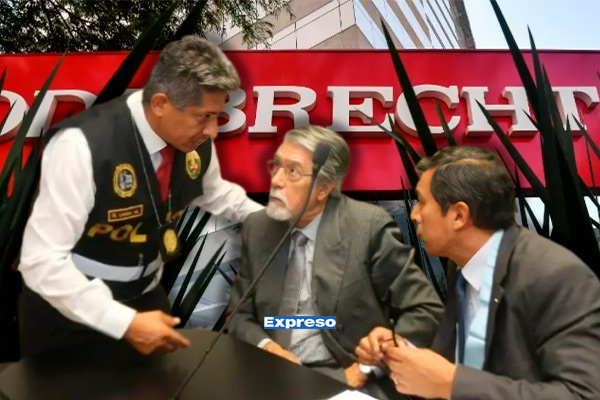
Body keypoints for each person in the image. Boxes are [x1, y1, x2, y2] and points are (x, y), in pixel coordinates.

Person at [18, 36, 263, 358]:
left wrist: (270, 219)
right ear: (160, 104)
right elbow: (40, 261)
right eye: (203, 116)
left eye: (217, 116)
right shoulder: (80, 145)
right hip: (69, 309)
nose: (213, 131)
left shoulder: (195, 142)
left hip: (146, 297)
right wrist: (123, 323)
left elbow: (215, 192)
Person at [355, 146, 600, 400]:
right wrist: (401, 351)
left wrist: (451, 384)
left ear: (459, 216)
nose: (415, 215)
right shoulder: (463, 268)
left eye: (423, 202)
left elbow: (584, 395)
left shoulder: (559, 277)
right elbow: (464, 359)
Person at [227, 125, 443, 398]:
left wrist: (366, 368)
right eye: (277, 165)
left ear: (324, 188)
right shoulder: (258, 227)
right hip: (271, 374)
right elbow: (239, 315)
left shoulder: (368, 227)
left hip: (347, 377)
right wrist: (268, 348)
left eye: (292, 171)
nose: (276, 180)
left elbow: (423, 310)